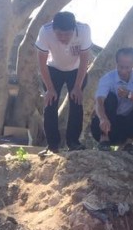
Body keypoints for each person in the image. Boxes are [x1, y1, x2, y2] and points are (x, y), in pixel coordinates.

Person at [35, 10, 93, 153]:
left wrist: (78, 87)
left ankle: (73, 142)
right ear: (53, 29)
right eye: (59, 34)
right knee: (50, 104)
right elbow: (41, 63)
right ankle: (52, 145)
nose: (63, 38)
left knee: (76, 103)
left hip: (76, 69)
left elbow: (85, 60)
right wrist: (49, 88)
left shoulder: (84, 30)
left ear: (74, 29)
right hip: (53, 68)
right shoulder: (45, 31)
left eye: (67, 34)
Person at [90, 47, 133, 151]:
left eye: (127, 67)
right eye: (120, 67)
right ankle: (104, 140)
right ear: (116, 63)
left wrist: (130, 95)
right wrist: (103, 118)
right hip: (106, 125)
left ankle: (128, 144)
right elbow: (99, 101)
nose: (124, 71)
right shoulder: (108, 78)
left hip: (126, 128)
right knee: (110, 98)